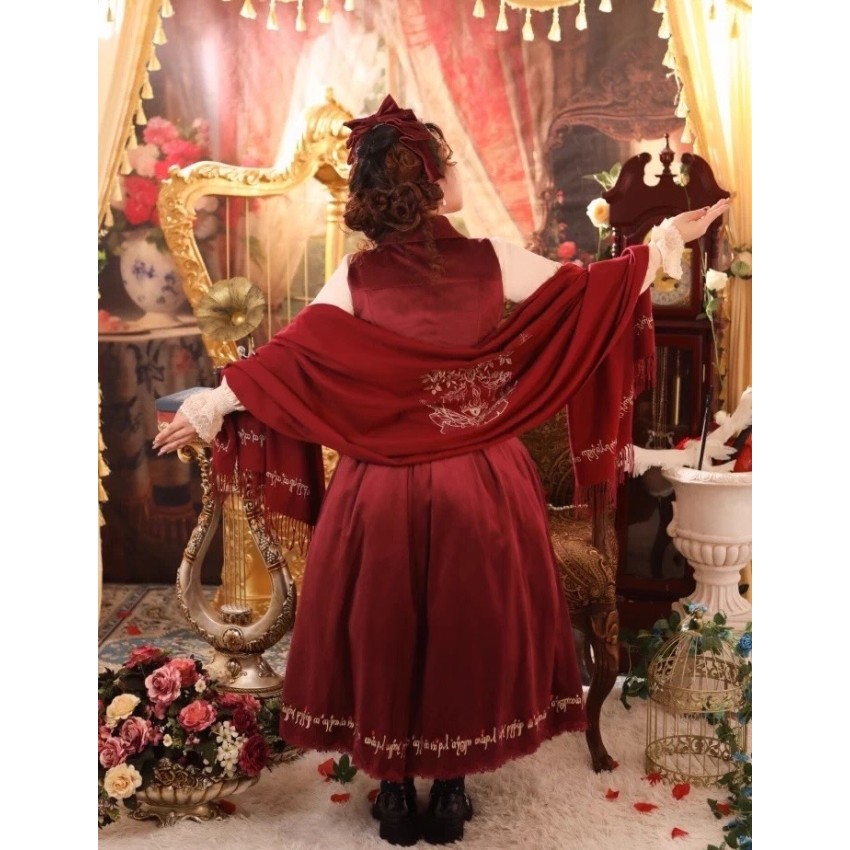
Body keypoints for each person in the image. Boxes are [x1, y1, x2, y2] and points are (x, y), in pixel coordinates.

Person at [153, 95, 730, 846]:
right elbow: (589, 294)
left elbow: (289, 357)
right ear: (427, 183)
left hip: (379, 487)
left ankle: (395, 792)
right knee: (469, 626)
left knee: (386, 625)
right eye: (448, 164)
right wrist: (665, 241)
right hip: (480, 481)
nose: (457, 174)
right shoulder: (492, 259)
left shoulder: (356, 276)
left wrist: (210, 406)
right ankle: (451, 787)